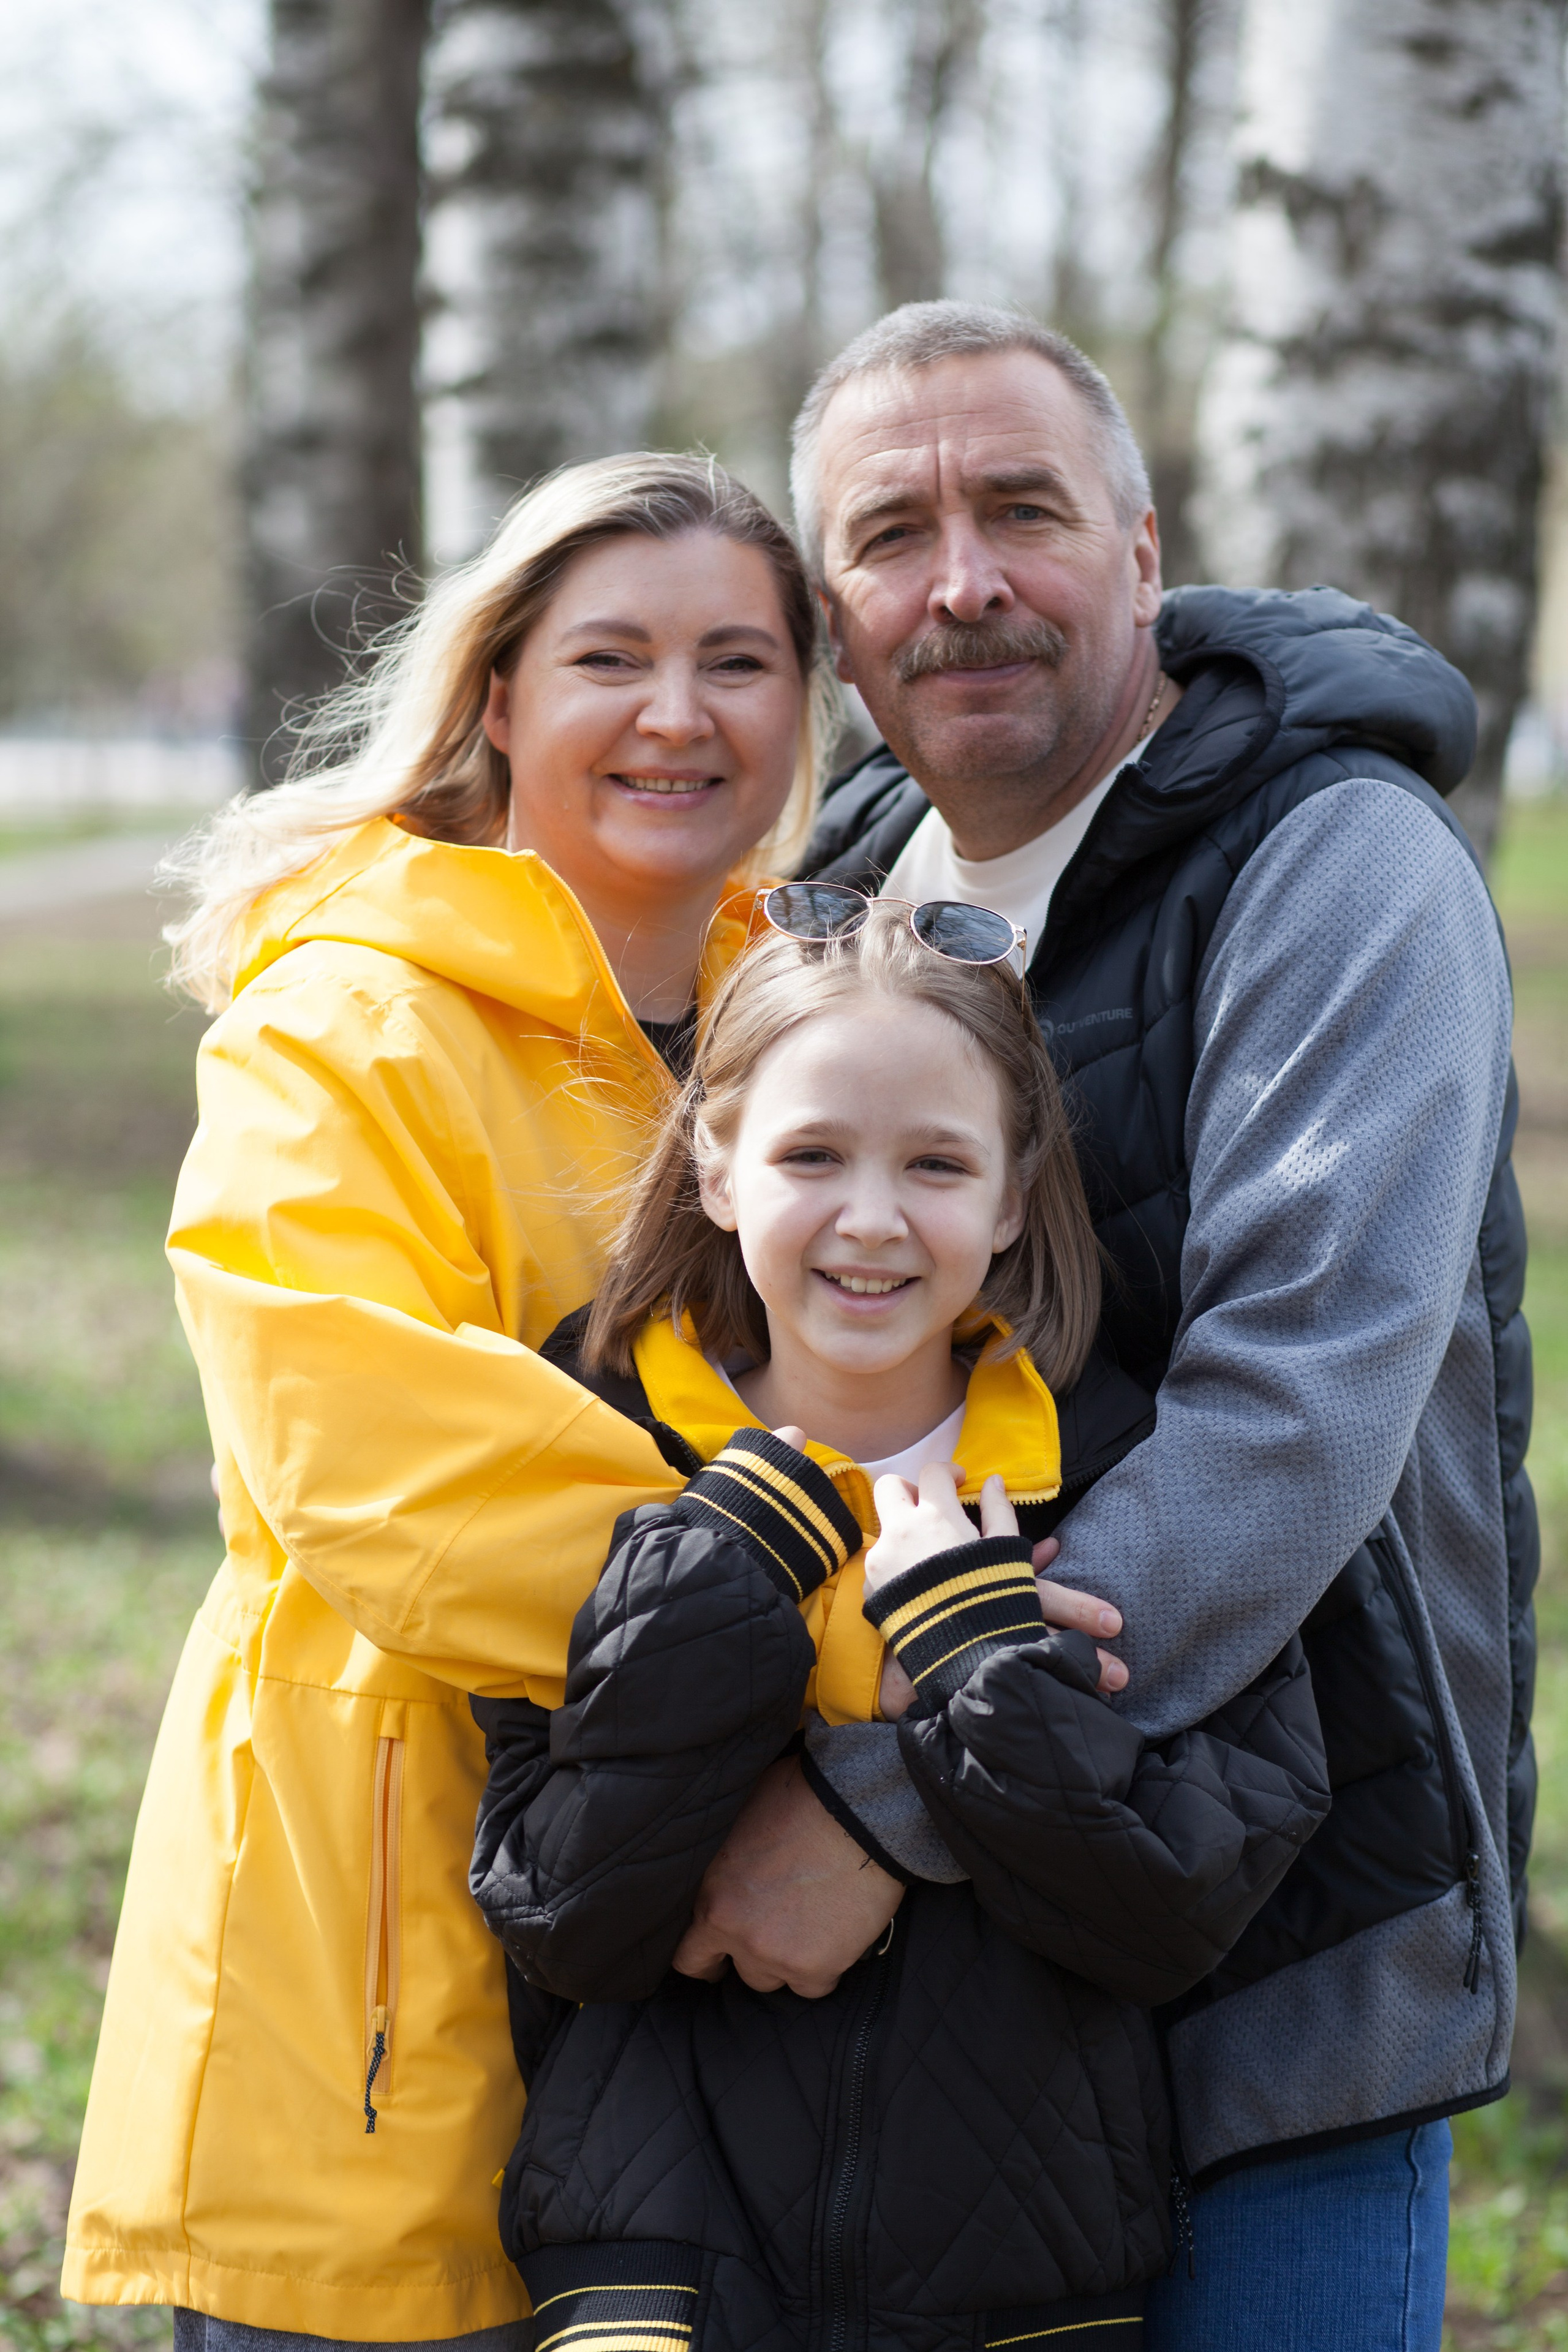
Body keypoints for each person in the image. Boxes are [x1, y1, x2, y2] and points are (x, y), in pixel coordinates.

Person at [663, 303, 1532, 2352]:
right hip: (961, 1987)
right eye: (892, 534)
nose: (961, 583)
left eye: (1023, 511)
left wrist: (885, 1801)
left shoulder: (1339, 859)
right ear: (838, 613)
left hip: (1285, 1934)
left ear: (1144, 553)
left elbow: (1290, 1416)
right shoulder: (834, 899)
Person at [62, 454, 849, 2347]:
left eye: (739, 659)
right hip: (382, 1987)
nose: (679, 713)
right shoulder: (344, 1019)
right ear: (499, 698)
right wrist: (873, 1642)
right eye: (612, 658)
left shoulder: (815, 1028)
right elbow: (397, 1467)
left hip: (703, 2023)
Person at [467, 897, 1330, 2352]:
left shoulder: (1120, 1473)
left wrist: (983, 1666)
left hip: (1023, 2280)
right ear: (717, 1163)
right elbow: (562, 1913)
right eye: (811, 1155)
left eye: (935, 1164)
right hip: (655, 2268)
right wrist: (724, 1578)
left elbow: (1179, 1905)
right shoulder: (590, 1450)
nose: (872, 1218)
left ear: (1008, 1198)